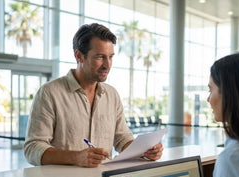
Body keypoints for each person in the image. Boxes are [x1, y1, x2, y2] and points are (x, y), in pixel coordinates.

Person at [24, 23, 163, 167]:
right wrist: (76, 157)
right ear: (79, 56)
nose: (107, 65)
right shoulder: (50, 93)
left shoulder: (111, 95)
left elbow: (122, 138)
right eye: (100, 57)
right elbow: (32, 148)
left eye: (110, 57)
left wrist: (144, 151)